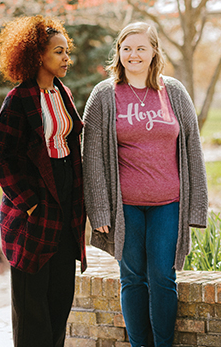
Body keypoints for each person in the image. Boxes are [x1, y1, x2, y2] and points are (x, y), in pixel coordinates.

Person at [82, 22, 208, 347]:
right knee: (132, 278)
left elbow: (193, 147)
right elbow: (92, 156)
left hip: (168, 202)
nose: (133, 54)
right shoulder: (104, 95)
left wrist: (196, 206)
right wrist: (99, 211)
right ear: (119, 53)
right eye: (126, 48)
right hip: (125, 207)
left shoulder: (174, 92)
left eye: (140, 48)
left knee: (164, 278)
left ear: (154, 51)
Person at [0, 16, 86, 347]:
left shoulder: (63, 93)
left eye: (66, 51)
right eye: (59, 52)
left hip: (65, 202)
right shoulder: (19, 98)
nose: (66, 58)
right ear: (37, 56)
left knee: (60, 299)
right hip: (33, 209)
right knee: (31, 307)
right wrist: (29, 201)